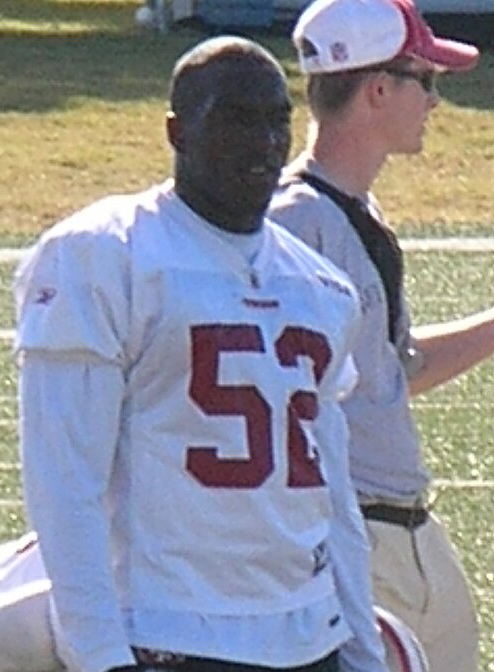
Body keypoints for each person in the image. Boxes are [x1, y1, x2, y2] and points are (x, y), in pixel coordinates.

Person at [0, 36, 388, 672]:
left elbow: (332, 498)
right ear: (177, 131)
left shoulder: (318, 286)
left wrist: (362, 649)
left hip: (307, 632)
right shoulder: (104, 256)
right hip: (171, 631)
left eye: (276, 121)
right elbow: (66, 484)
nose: (263, 142)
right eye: (234, 119)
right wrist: (99, 655)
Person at [268, 1, 494, 671]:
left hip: (412, 530)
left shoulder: (357, 212)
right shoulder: (293, 226)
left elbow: (395, 372)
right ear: (376, 89)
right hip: (350, 533)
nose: (433, 99)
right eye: (423, 78)